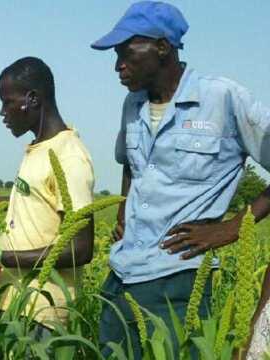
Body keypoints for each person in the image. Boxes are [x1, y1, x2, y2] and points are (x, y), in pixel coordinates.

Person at [90, 2, 270, 358]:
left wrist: (233, 227)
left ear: (162, 47)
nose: (118, 66)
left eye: (126, 52)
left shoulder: (222, 98)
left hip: (178, 283)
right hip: (121, 276)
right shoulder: (132, 105)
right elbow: (130, 163)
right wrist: (124, 212)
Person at [0, 57, 95, 331]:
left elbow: (80, 248)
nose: (2, 112)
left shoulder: (69, 155)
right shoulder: (39, 148)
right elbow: (30, 205)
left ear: (31, 98)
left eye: (6, 101)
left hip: (41, 313)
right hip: (10, 302)